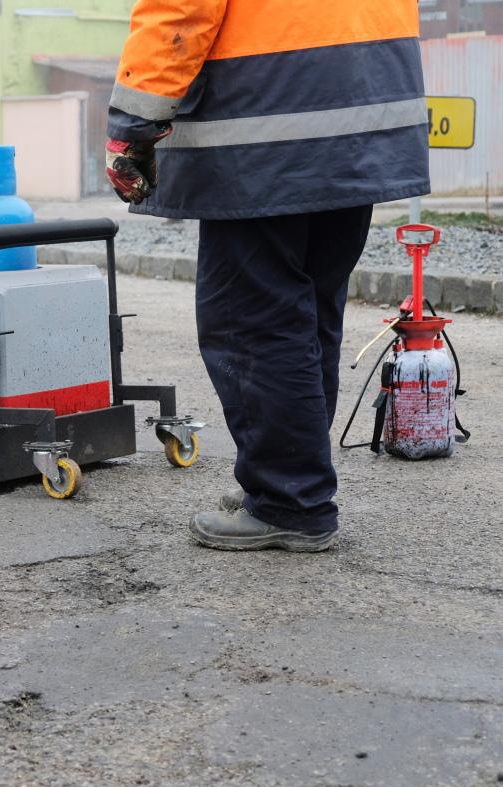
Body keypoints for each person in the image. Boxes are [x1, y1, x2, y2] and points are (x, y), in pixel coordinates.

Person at [105, 2, 429, 552]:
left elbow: (180, 11)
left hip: (266, 133)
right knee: (308, 315)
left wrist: (131, 125)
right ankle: (286, 481)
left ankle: (290, 501)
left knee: (253, 324)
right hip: (362, 122)